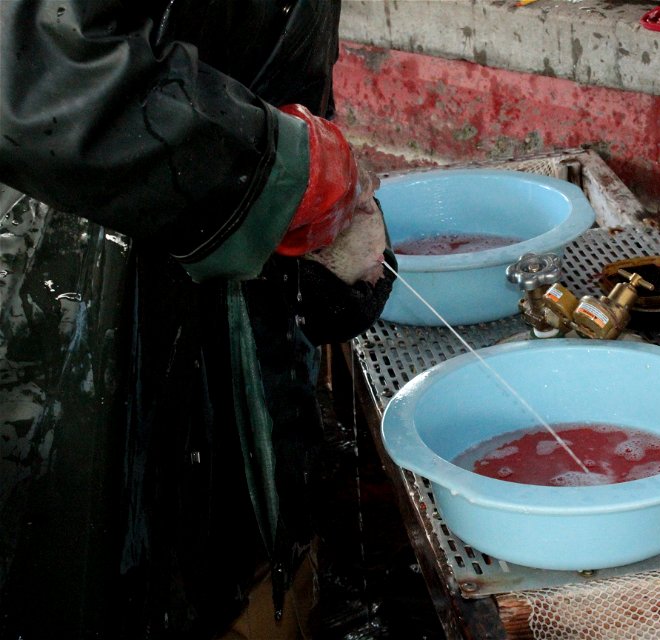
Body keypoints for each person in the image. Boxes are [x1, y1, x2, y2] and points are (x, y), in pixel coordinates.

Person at [0, 1, 395, 638]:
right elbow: (37, 70)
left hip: (236, 306)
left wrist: (320, 207)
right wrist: (275, 169)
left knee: (253, 565)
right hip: (77, 299)